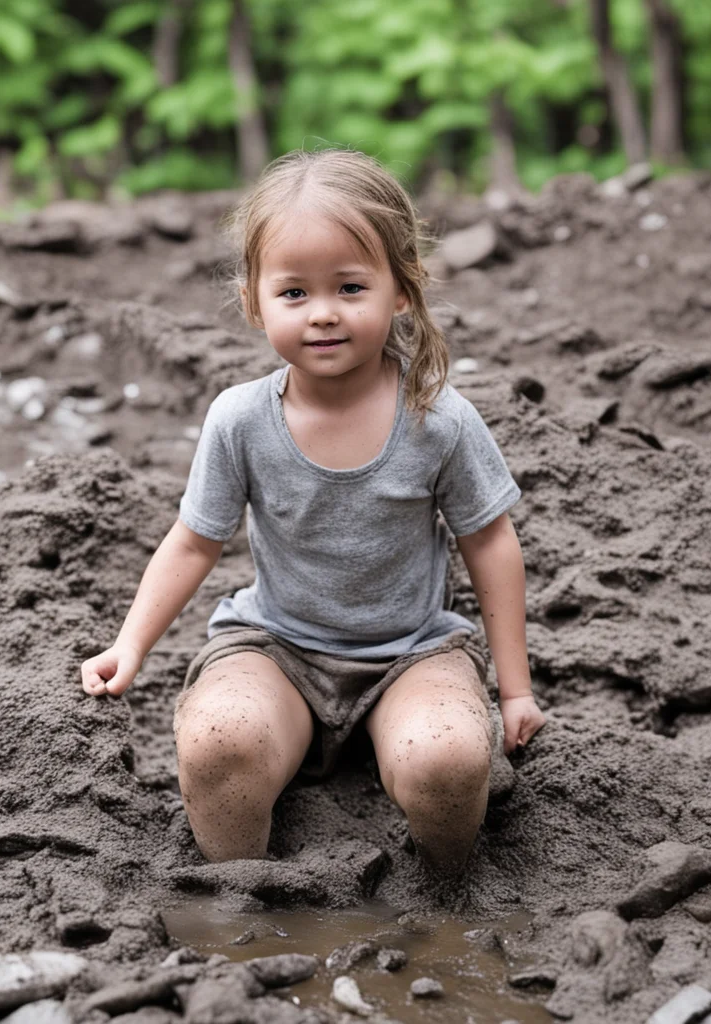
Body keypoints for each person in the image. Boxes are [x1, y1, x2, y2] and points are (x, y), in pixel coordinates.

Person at [81, 147, 545, 877]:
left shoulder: (438, 420)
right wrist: (130, 645)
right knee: (217, 743)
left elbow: (490, 542)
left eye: (351, 287)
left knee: (450, 760)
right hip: (279, 650)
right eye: (294, 293)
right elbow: (194, 542)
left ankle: (444, 896)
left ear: (401, 290)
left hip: (413, 653)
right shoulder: (239, 420)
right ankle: (240, 894)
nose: (324, 313)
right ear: (253, 302)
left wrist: (514, 690)